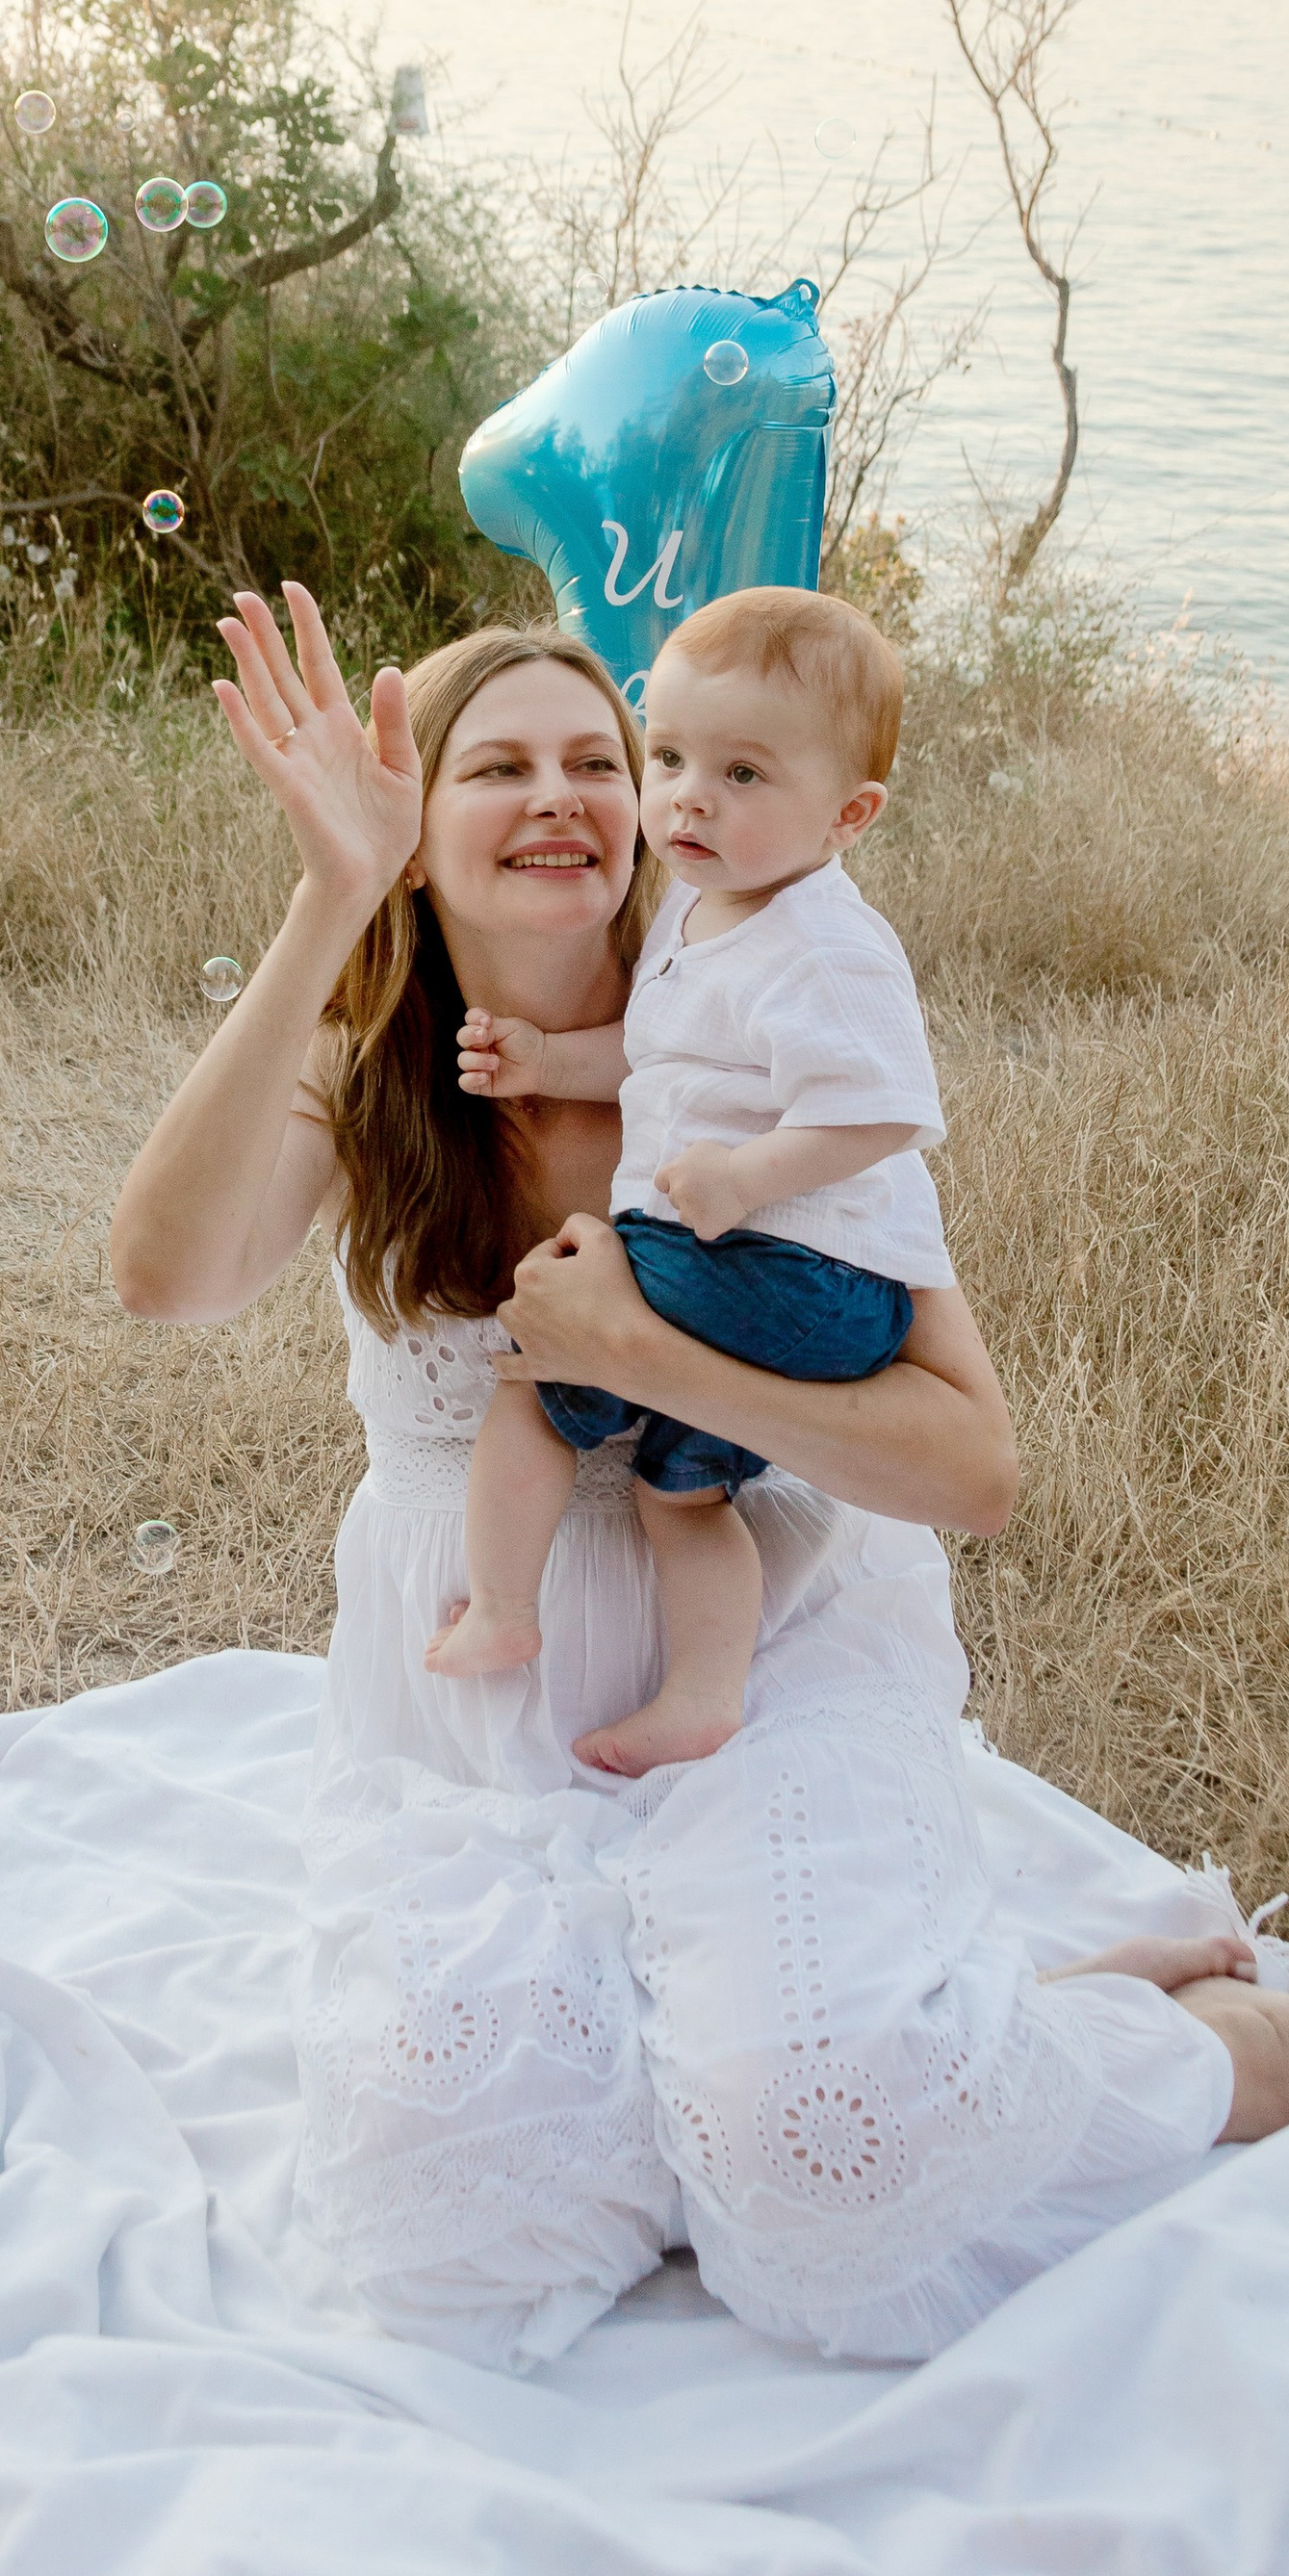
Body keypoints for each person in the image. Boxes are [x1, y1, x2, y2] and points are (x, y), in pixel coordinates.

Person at [110, 583, 1289, 2369]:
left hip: (769, 1640)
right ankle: (899, 2038)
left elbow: (973, 1468)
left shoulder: (752, 1062)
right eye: (497, 767)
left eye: (595, 759)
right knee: (448, 2244)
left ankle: (1196, 2052)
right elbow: (164, 1279)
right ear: (415, 824)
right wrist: (331, 896)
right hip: (486, 1675)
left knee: (826, 2167)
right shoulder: (366, 1070)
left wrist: (653, 1362)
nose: (562, 797)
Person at [431, 587, 947, 1780]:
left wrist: (746, 1176)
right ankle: (703, 1697)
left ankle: (501, 1608)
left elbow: (886, 1106)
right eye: (666, 758)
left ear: (849, 814)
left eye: (743, 774)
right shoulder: (701, 909)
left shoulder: (824, 942)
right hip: (767, 1275)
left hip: (792, 1269)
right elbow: (659, 1053)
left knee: (541, 1350)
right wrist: (546, 1062)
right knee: (681, 1495)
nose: (688, 798)